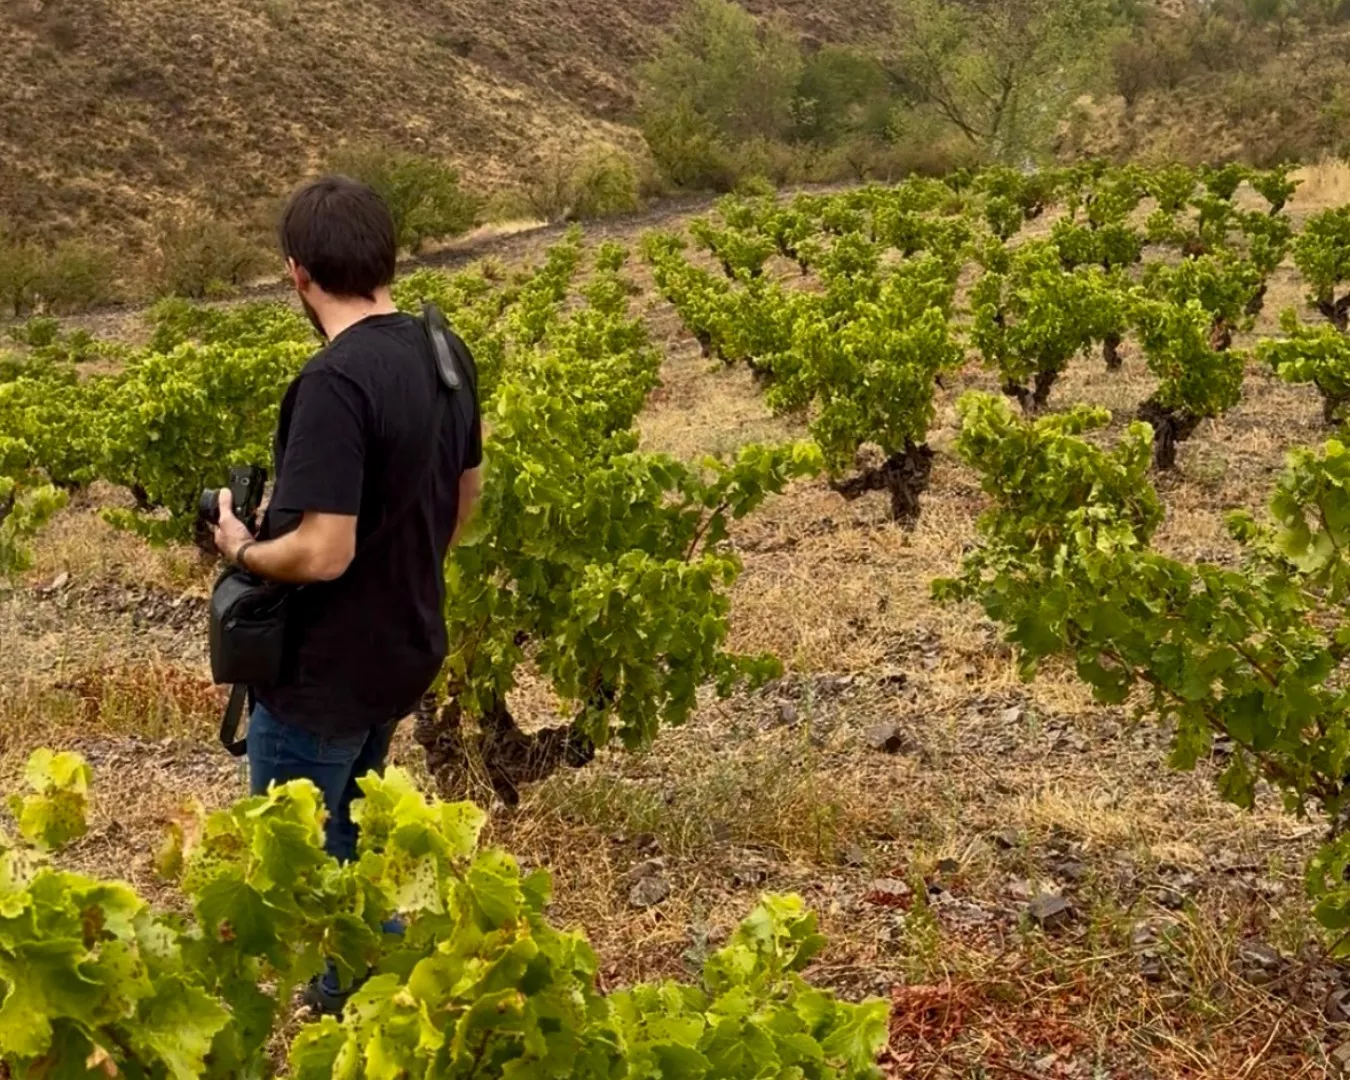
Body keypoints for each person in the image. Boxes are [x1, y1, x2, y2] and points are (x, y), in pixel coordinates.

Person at [211, 176, 483, 1005]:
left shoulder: (335, 382)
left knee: (305, 874)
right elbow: (464, 503)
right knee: (356, 842)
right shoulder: (443, 351)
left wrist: (245, 547)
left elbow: (325, 553)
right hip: (400, 654)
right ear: (384, 255)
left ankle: (352, 1017)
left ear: (298, 274)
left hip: (323, 675)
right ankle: (394, 1002)